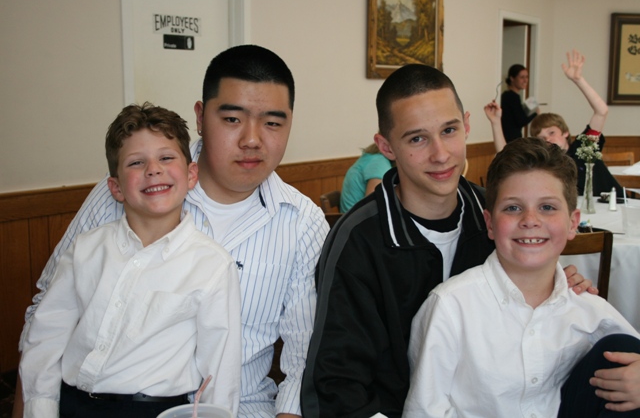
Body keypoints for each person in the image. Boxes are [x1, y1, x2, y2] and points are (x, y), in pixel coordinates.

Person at [15, 45, 329, 418]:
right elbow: (45, 318)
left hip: (241, 406)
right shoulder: (134, 189)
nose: (252, 139)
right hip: (96, 399)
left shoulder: (303, 222)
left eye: (273, 123)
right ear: (201, 116)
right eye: (232, 119)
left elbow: (305, 354)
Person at [300, 63, 595, 418]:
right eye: (417, 139)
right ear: (386, 147)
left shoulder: (499, 220)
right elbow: (337, 384)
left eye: (449, 130)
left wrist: (560, 284)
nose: (440, 154)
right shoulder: (358, 240)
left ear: (467, 125)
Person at [19, 103, 242, 418]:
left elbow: (220, 369)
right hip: (73, 404)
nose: (153, 169)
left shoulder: (212, 265)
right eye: (136, 162)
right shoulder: (85, 250)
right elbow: (47, 336)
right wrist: (40, 409)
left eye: (166, 158)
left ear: (191, 175)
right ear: (116, 187)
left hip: (152, 410)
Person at [403, 137, 640, 417]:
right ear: (490, 223)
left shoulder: (587, 309)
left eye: (547, 207)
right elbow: (424, 410)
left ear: (572, 223)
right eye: (513, 208)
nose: (530, 220)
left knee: (624, 353)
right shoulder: (451, 307)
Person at [486, 49, 622, 196]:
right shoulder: (545, 164)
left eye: (551, 133)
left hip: (614, 204)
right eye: (541, 138)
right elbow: (505, 156)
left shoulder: (583, 148)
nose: (548, 139)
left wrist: (578, 80)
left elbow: (601, 111)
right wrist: (495, 122)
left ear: (565, 133)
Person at [340, 141, 392, 212]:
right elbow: (373, 207)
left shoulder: (371, 157)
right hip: (358, 217)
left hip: (354, 216)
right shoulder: (379, 162)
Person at [500, 63, 539, 143]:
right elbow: (521, 121)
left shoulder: (507, 95)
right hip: (511, 140)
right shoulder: (512, 97)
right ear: (512, 78)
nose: (525, 80)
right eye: (522, 77)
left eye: (527, 77)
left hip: (509, 139)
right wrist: (535, 113)